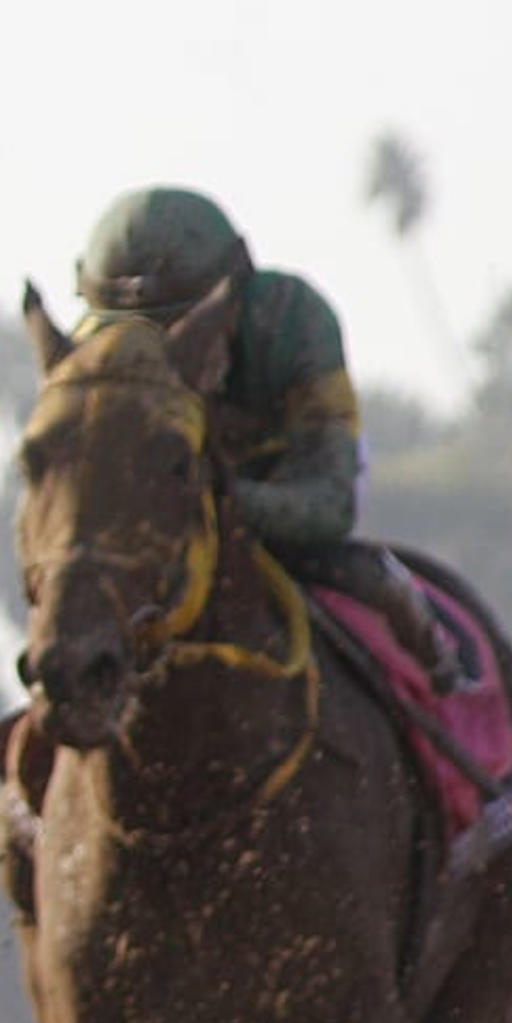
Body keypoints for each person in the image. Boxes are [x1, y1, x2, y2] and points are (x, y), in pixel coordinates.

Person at [71, 187, 470, 691]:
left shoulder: (292, 321)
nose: (164, 361)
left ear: (231, 305)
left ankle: (446, 688)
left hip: (280, 521)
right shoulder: (89, 363)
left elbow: (331, 504)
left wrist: (218, 502)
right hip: (159, 555)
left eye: (184, 333)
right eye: (139, 342)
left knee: (384, 589)